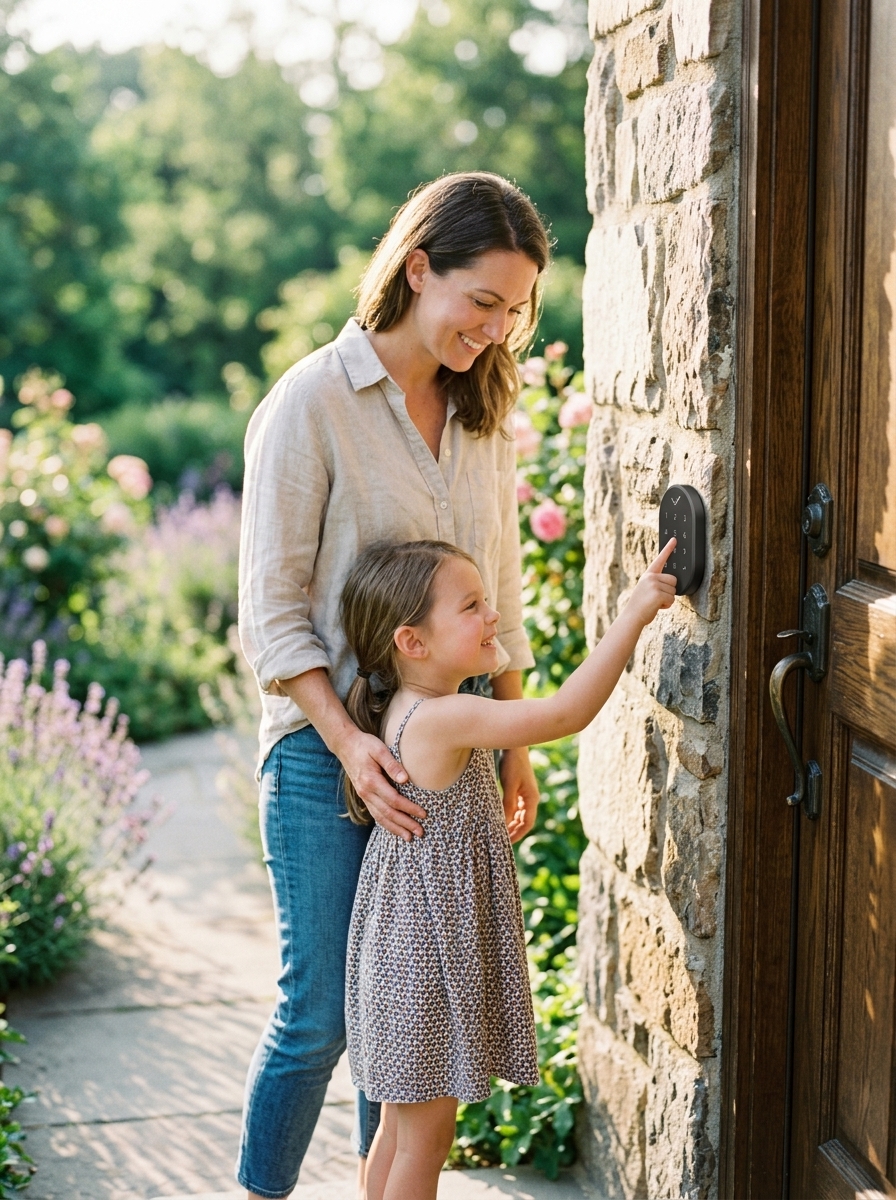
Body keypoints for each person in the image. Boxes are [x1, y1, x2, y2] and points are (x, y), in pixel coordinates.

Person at [236, 172, 551, 1200]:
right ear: (418, 270)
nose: (497, 331)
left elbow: (494, 579)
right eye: (483, 302)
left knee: (403, 1027)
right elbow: (272, 616)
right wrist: (346, 744)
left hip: (440, 754)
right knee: (322, 1012)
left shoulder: (479, 409)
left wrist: (511, 744)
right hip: (322, 754)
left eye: (515, 311)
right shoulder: (311, 401)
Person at [339, 536, 677, 1200]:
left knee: (398, 1133)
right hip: (423, 966)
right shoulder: (443, 716)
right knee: (426, 1145)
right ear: (414, 643)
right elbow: (563, 714)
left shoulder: (408, 709)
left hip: (401, 955)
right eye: (471, 606)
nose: (492, 616)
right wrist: (635, 612)